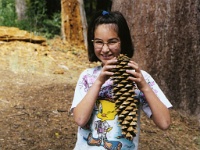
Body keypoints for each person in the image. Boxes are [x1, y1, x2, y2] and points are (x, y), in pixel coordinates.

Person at [70, 10, 172, 150]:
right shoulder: (87, 77)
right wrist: (99, 82)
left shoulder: (139, 77)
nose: (105, 49)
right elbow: (80, 120)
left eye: (112, 42)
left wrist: (144, 87)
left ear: (123, 42)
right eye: (99, 42)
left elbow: (165, 123)